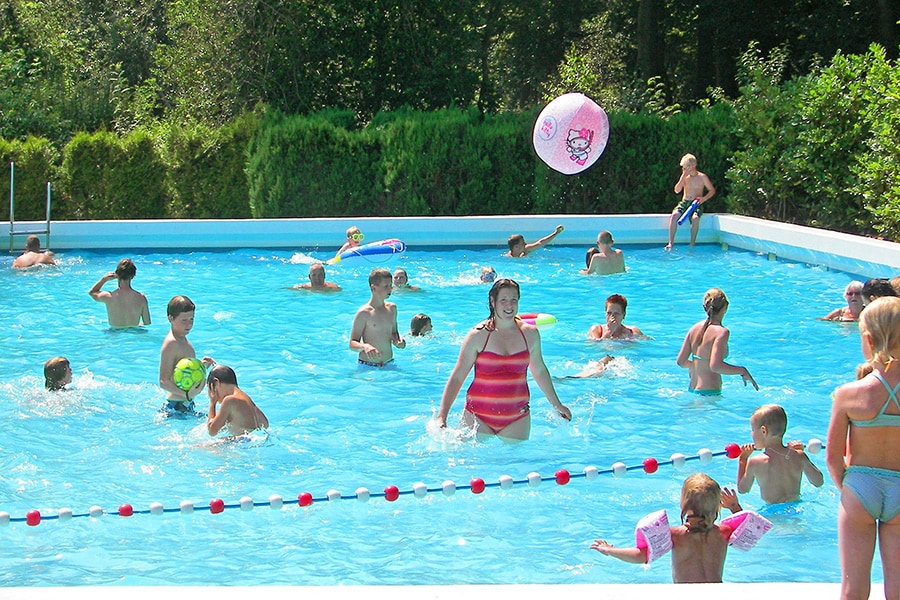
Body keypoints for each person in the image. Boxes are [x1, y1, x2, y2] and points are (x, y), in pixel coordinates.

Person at [826, 296, 900, 600]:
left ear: (867, 339)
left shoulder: (848, 394)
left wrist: (848, 486)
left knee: (853, 589)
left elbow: (832, 456)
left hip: (859, 488)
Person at [435, 278, 571, 441]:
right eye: (504, 300)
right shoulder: (478, 335)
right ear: (493, 302)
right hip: (478, 417)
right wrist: (442, 416)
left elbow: (539, 370)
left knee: (515, 465)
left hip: (517, 418)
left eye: (514, 300)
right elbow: (457, 377)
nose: (509, 305)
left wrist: (557, 404)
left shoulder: (530, 334)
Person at [590, 473, 736, 583]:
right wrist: (735, 507)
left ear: (684, 504)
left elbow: (641, 556)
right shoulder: (723, 532)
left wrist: (609, 550)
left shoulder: (676, 535)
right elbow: (748, 527)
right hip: (719, 593)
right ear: (718, 504)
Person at [676, 288, 758, 394]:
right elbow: (716, 366)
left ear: (704, 307)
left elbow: (681, 361)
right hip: (710, 393)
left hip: (692, 389)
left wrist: (697, 365)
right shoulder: (722, 332)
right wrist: (742, 370)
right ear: (725, 307)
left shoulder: (694, 328)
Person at [737, 404, 824, 504]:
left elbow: (742, 489)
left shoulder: (755, 462)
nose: (751, 434)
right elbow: (819, 482)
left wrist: (743, 459)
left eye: (752, 430)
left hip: (773, 514)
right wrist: (801, 454)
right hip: (796, 509)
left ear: (763, 431)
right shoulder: (798, 456)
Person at [158, 296, 214, 412]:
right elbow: (163, 381)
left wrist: (202, 367)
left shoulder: (182, 340)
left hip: (185, 404)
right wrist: (186, 396)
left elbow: (183, 373)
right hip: (175, 406)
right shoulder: (171, 343)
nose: (189, 324)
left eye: (191, 319)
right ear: (171, 318)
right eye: (184, 320)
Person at [349, 268, 406, 367]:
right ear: (373, 288)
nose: (390, 289)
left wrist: (398, 342)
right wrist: (364, 346)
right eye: (385, 286)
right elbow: (352, 343)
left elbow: (394, 332)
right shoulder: (364, 313)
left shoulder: (392, 308)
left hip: (389, 363)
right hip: (367, 365)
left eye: (390, 285)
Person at [666, 154, 715, 250]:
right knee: (674, 215)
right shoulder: (685, 177)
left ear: (692, 166)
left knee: (695, 218)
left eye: (685, 167)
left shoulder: (702, 177)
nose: (684, 170)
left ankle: (692, 244)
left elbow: (712, 190)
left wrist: (704, 199)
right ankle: (670, 243)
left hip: (696, 203)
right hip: (685, 202)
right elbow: (677, 190)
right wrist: (683, 176)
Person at [206, 365, 269, 437]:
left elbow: (212, 431)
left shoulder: (229, 400)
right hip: (253, 439)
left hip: (242, 443)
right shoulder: (246, 398)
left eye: (211, 389)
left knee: (199, 446)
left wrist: (212, 403)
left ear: (217, 383)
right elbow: (265, 424)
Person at [87, 258, 151, 328]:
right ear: (132, 276)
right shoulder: (141, 298)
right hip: (133, 333)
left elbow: (92, 292)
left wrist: (104, 279)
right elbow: (147, 323)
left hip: (114, 334)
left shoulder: (108, 296)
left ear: (117, 275)